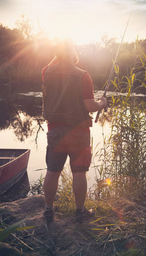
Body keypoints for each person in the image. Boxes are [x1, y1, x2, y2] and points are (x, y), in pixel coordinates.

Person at [42, 40, 107, 223]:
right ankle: (80, 211)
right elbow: (90, 106)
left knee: (52, 171)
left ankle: (48, 210)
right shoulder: (83, 76)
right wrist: (102, 103)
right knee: (79, 172)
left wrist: (59, 55)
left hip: (55, 130)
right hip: (79, 132)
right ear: (71, 51)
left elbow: (50, 67)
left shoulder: (46, 72)